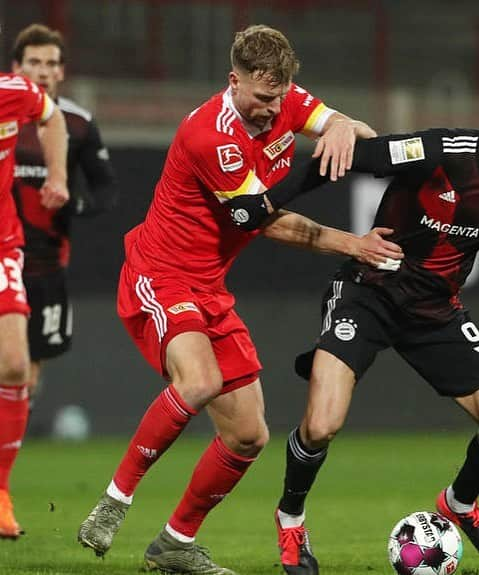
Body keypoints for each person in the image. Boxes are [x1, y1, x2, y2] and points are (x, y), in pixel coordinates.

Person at [228, 101, 479, 574]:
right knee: (321, 424)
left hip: (435, 311)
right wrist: (266, 201)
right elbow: (345, 159)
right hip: (369, 292)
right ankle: (291, 519)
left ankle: (459, 504)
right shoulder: (437, 151)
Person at [76, 24, 402, 575]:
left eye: (279, 98)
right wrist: (350, 237)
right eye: (261, 97)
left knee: (249, 434)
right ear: (235, 81)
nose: (271, 111)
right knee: (198, 382)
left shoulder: (286, 100)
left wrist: (346, 127)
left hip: (209, 286)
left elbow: (345, 128)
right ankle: (114, 502)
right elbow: (261, 219)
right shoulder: (212, 136)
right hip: (161, 274)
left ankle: (175, 543)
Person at [11, 24, 117, 416]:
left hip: (46, 262)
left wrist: (73, 204)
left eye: (51, 63)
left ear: (61, 71)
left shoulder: (78, 123)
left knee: (28, 370)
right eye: (34, 62)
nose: (42, 71)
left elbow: (106, 190)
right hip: (4, 255)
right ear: (16, 67)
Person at [0, 72, 69, 539]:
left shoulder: (15, 91)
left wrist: (59, 174)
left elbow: (54, 117)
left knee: (15, 365)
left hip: (3, 244)